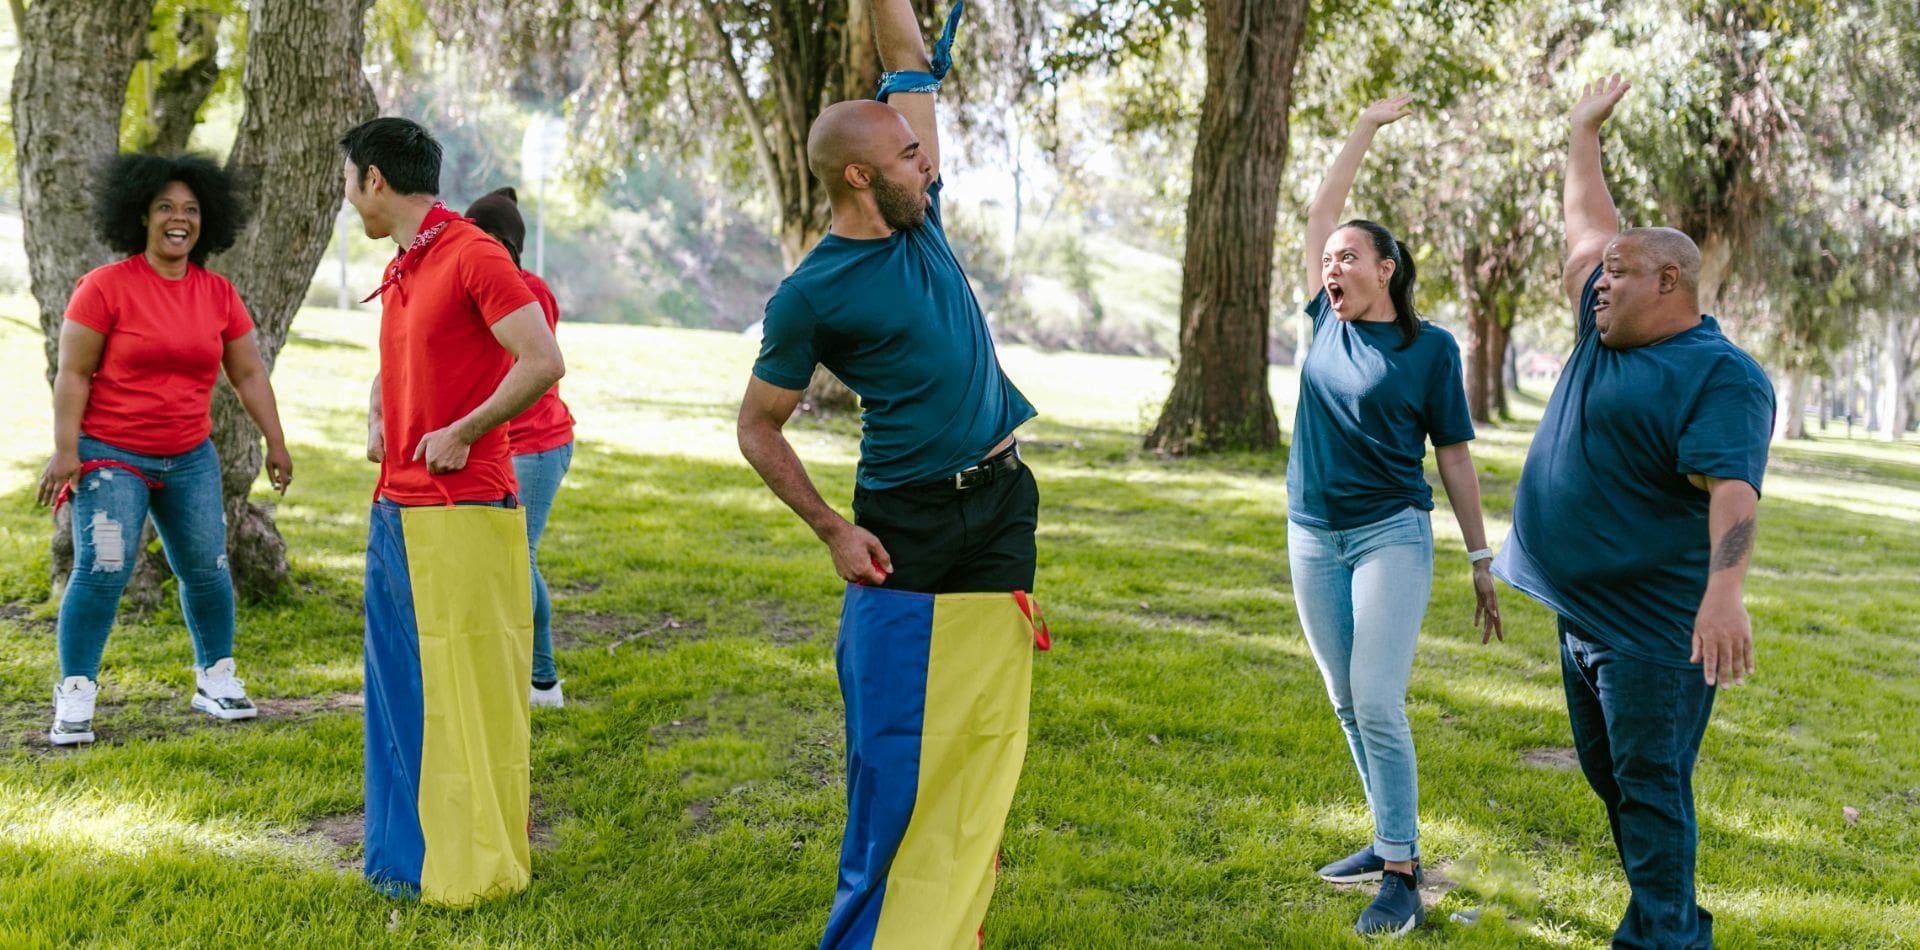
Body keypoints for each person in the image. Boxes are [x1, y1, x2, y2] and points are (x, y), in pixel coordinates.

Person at [735, 3, 1048, 945]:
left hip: (1001, 506)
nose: (931, 163)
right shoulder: (812, 293)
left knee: (984, 733)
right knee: (890, 750)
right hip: (901, 525)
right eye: (912, 157)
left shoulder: (925, 219)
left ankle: (950, 926)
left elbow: (904, 53)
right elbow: (757, 427)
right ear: (863, 176)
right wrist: (833, 527)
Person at [1493, 75, 1774, 949]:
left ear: (1669, 281)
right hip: (1582, 615)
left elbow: (1734, 487)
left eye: (1617, 274)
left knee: (1649, 787)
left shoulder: (1719, 375)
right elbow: (1585, 228)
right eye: (1599, 276)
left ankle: (1666, 938)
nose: (1595, 282)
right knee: (1617, 781)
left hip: (1652, 636)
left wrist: (1725, 594)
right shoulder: (1602, 322)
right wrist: (1583, 133)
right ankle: (1674, 919)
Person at [1287, 96, 1504, 936]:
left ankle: (1403, 873)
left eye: (1350, 257)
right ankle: (1388, 844)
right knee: (1346, 699)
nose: (1333, 265)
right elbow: (1320, 209)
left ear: (1387, 269)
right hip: (1312, 533)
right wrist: (1366, 128)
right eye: (1329, 258)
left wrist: (1481, 558)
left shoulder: (1432, 349)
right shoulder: (1321, 319)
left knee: (1377, 698)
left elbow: (1452, 455)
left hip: (1390, 537)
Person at [342, 116, 564, 905]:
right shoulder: (410, 263)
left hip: (463, 510)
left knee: (464, 702)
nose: (350, 202)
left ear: (374, 178)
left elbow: (542, 360)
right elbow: (411, 359)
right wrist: (380, 414)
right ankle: (405, 865)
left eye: (349, 184)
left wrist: (466, 429)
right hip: (396, 509)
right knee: (400, 694)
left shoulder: (471, 251)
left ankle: (471, 867)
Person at [36, 152, 292, 747]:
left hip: (188, 456)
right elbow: (73, 374)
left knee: (207, 568)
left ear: (208, 220)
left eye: (191, 210)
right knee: (102, 570)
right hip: (110, 455)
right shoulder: (105, 287)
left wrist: (274, 442)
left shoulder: (218, 293)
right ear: (141, 215)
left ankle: (216, 677)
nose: (179, 219)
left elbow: (249, 374)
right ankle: (75, 692)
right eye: (165, 208)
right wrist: (65, 449)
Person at [465, 187, 576, 709]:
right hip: (502, 443)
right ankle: (506, 666)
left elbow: (527, 363)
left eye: (478, 234)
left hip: (534, 443)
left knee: (516, 559)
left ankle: (543, 681)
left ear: (503, 243)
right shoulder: (474, 280)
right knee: (498, 559)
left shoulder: (527, 289)